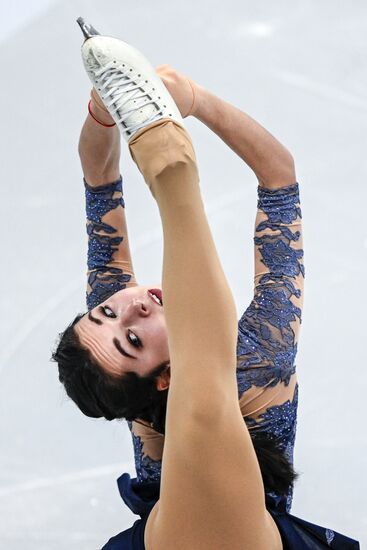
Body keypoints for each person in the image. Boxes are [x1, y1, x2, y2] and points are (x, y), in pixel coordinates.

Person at [52, 19, 360, 549]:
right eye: (133, 340)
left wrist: (104, 111)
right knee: (209, 398)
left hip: (192, 526)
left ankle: (167, 157)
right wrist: (196, 100)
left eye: (108, 312)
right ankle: (169, 163)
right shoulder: (259, 356)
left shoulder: (114, 333)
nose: (132, 308)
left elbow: (98, 176)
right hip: (226, 531)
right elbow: (279, 176)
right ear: (161, 379)